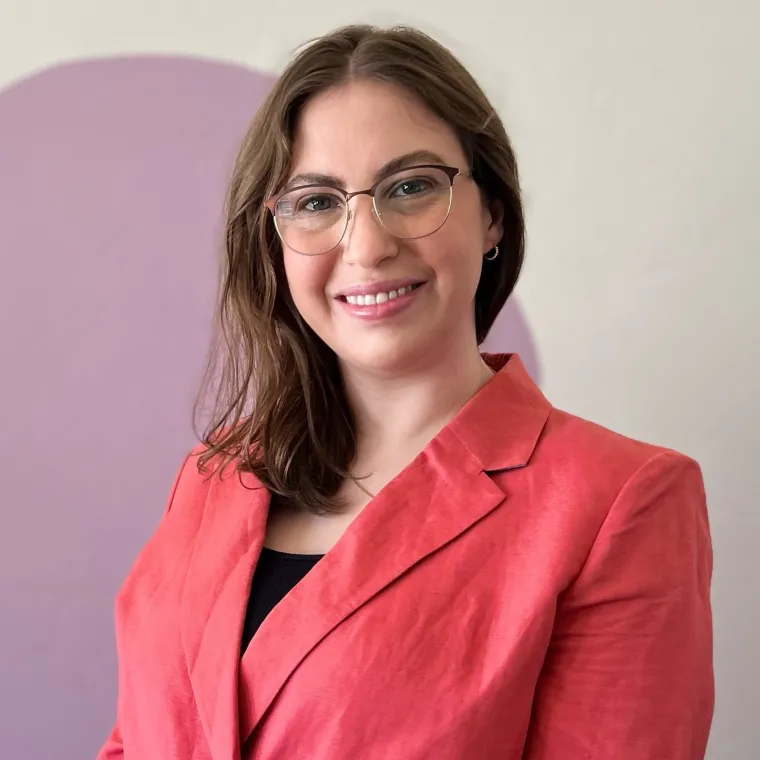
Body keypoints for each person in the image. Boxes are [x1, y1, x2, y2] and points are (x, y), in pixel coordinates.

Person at [97, 24, 714, 760]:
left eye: (412, 187)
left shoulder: (620, 502)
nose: (366, 246)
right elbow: (136, 740)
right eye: (317, 201)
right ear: (277, 236)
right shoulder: (214, 475)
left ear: (491, 213)